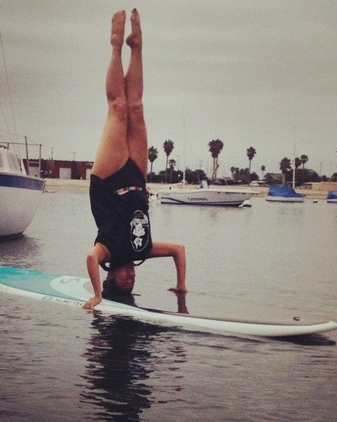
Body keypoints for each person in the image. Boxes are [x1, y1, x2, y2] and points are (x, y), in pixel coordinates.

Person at [83, 9, 187, 310]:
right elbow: (178, 250)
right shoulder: (142, 248)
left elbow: (91, 257)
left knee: (118, 108)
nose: (130, 274)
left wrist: (97, 295)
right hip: (137, 178)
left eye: (125, 275)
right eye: (131, 275)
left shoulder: (108, 251)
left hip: (108, 180)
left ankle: (116, 45)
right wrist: (181, 286)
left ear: (110, 273)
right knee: (137, 107)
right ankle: (137, 45)